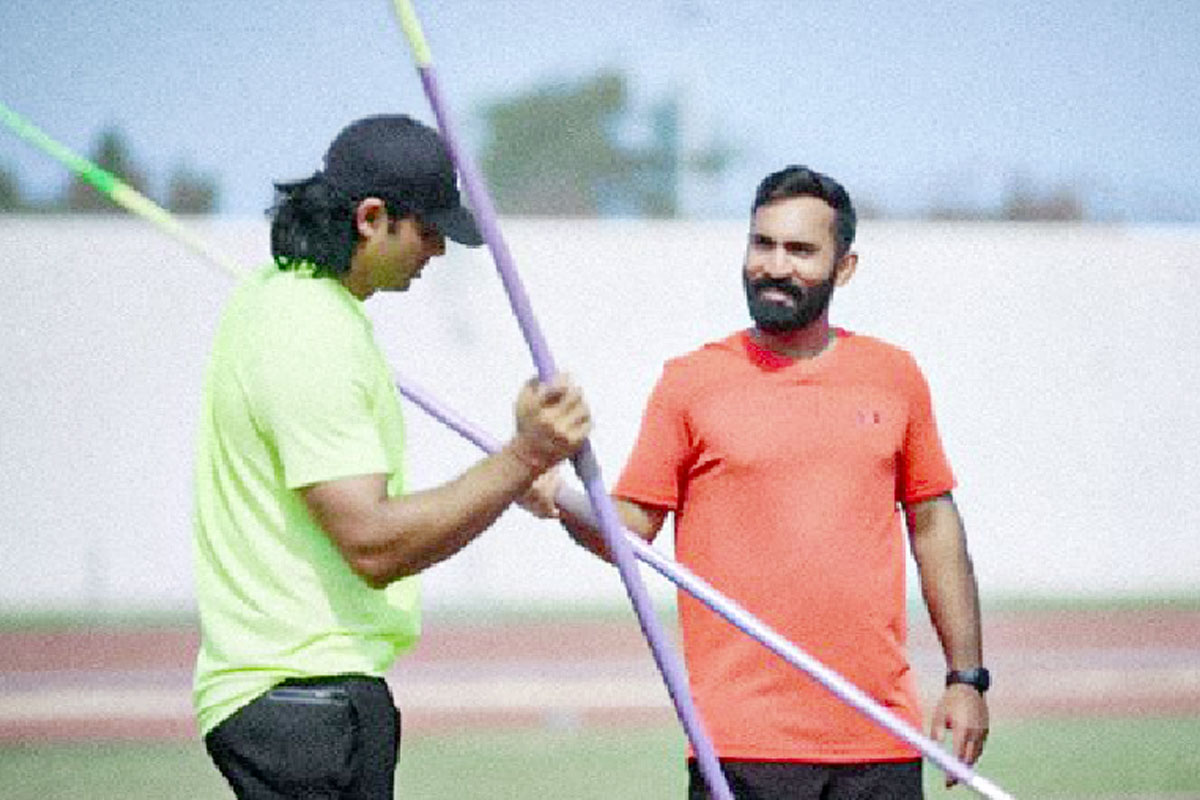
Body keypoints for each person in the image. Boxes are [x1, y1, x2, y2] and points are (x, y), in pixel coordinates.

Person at [191, 113, 591, 799]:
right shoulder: (308, 330)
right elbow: (373, 544)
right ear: (372, 218)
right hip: (304, 698)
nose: (437, 251)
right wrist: (525, 456)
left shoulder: (284, 301)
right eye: (428, 229)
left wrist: (511, 471)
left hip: (307, 697)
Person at [561, 165, 989, 799]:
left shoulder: (893, 376)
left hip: (879, 735)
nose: (775, 265)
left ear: (844, 268)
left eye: (800, 250)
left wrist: (966, 678)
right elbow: (628, 534)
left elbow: (934, 526)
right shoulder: (691, 383)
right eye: (762, 244)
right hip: (740, 746)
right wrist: (552, 493)